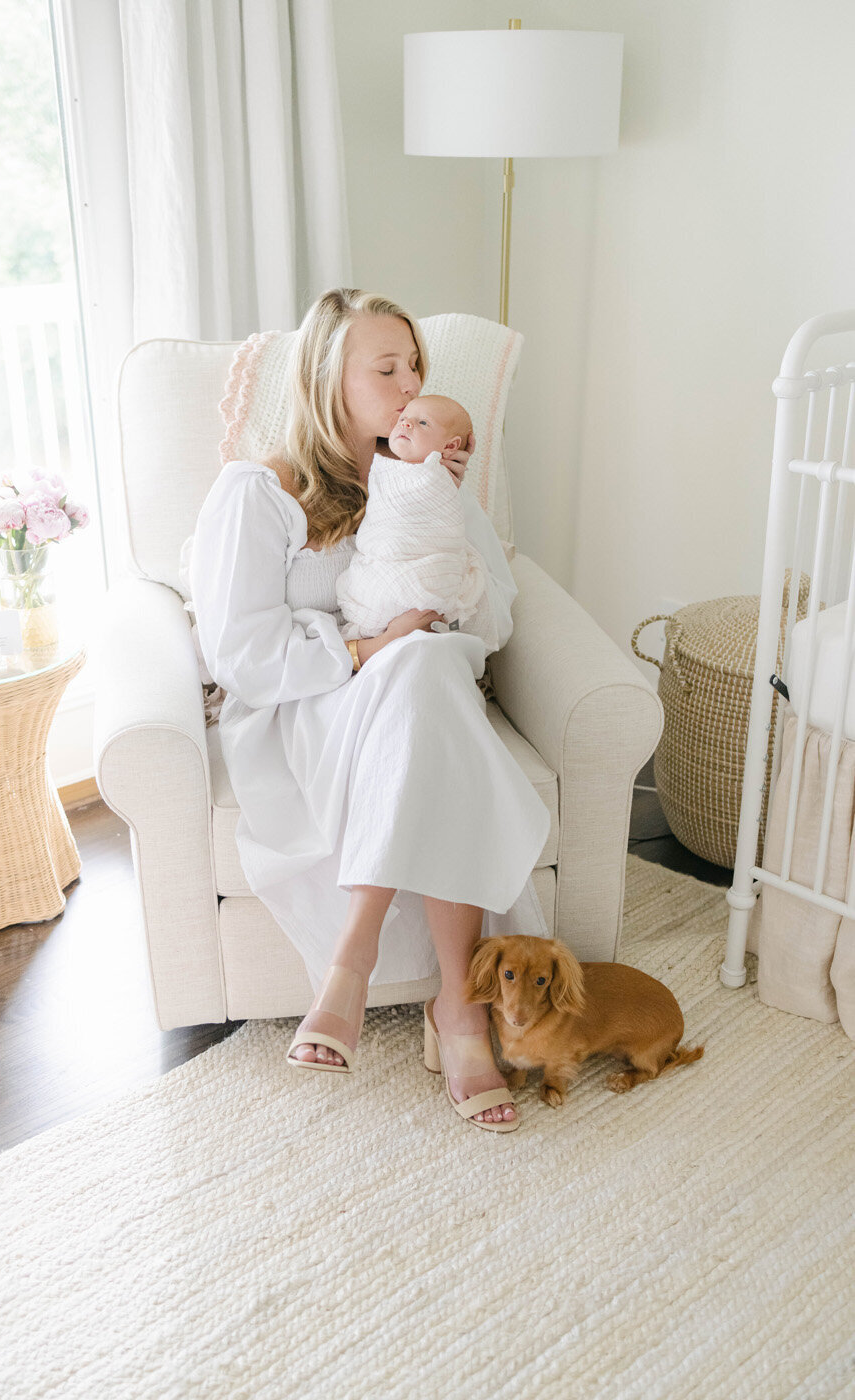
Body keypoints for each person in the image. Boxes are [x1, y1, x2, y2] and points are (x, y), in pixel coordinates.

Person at [190, 288, 551, 1131]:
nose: (409, 384)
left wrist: (448, 537)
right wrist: (363, 649)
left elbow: (494, 617)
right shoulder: (259, 492)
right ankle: (457, 1013)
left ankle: (352, 965)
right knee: (416, 676)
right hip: (308, 708)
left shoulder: (427, 483)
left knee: (425, 673)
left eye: (415, 366)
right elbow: (238, 653)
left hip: (419, 699)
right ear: (327, 380)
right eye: (385, 369)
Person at [335, 394, 490, 640]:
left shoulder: (438, 478)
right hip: (376, 581)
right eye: (404, 418)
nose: (406, 424)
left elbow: (443, 536)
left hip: (423, 587)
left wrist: (445, 487)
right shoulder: (385, 469)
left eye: (423, 423)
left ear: (450, 447)